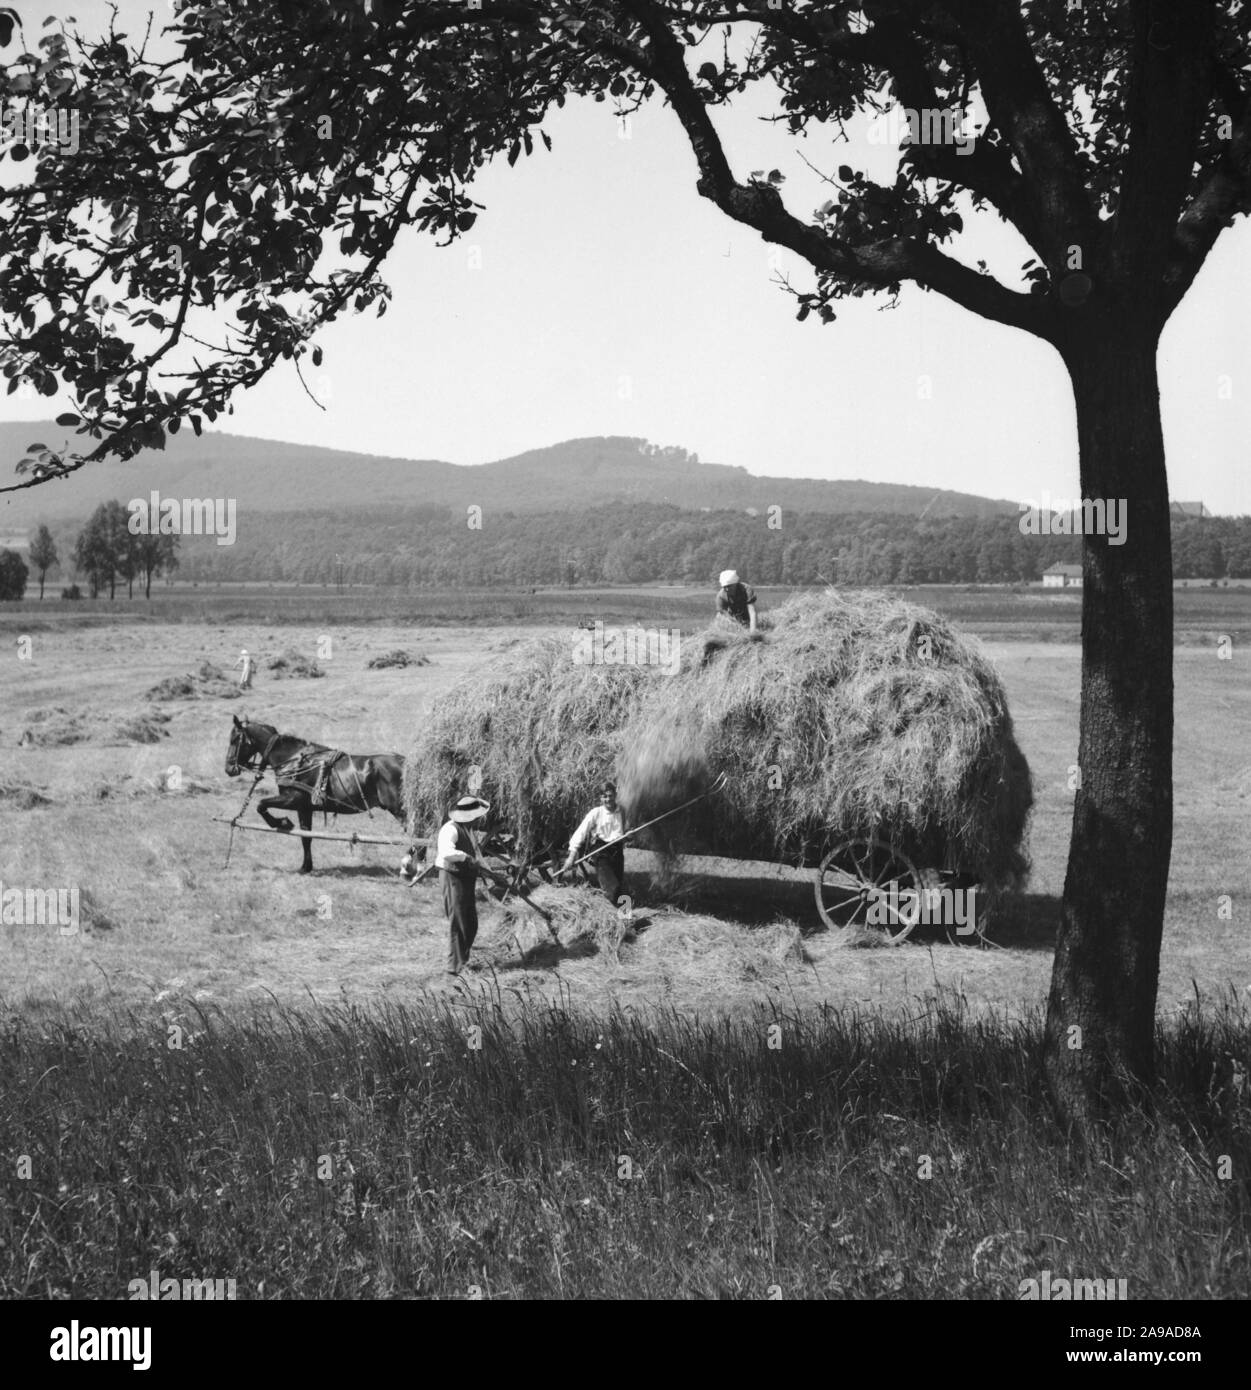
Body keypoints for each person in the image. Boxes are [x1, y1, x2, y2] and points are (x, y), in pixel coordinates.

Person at [436, 795, 490, 975]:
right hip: (453, 877)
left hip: (466, 878)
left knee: (471, 923)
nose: (478, 819)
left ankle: (463, 960)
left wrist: (487, 870)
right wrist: (465, 858)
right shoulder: (450, 829)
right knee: (458, 922)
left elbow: (477, 854)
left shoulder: (469, 831)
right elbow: (446, 852)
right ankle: (455, 967)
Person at [563, 781, 626, 903]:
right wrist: (571, 857)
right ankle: (624, 916)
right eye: (604, 796)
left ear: (615, 795)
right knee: (613, 887)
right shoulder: (596, 813)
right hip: (600, 852)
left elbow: (624, 830)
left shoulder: (622, 811)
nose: (608, 799)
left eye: (610, 795)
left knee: (620, 886)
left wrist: (629, 833)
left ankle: (624, 917)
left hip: (617, 851)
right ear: (600, 798)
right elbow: (580, 832)